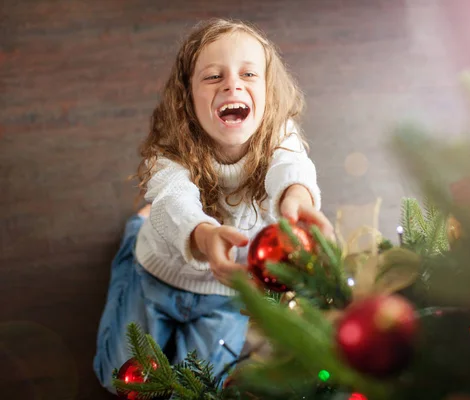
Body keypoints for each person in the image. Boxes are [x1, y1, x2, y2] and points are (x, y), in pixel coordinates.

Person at [93, 18, 333, 393]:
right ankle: (133, 236)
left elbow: (293, 167)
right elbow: (172, 196)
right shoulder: (169, 150)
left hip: (224, 296)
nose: (232, 84)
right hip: (156, 276)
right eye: (212, 77)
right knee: (117, 380)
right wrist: (204, 234)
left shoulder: (279, 137)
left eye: (249, 74)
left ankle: (139, 226)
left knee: (202, 390)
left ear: (269, 93)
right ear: (187, 98)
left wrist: (296, 197)